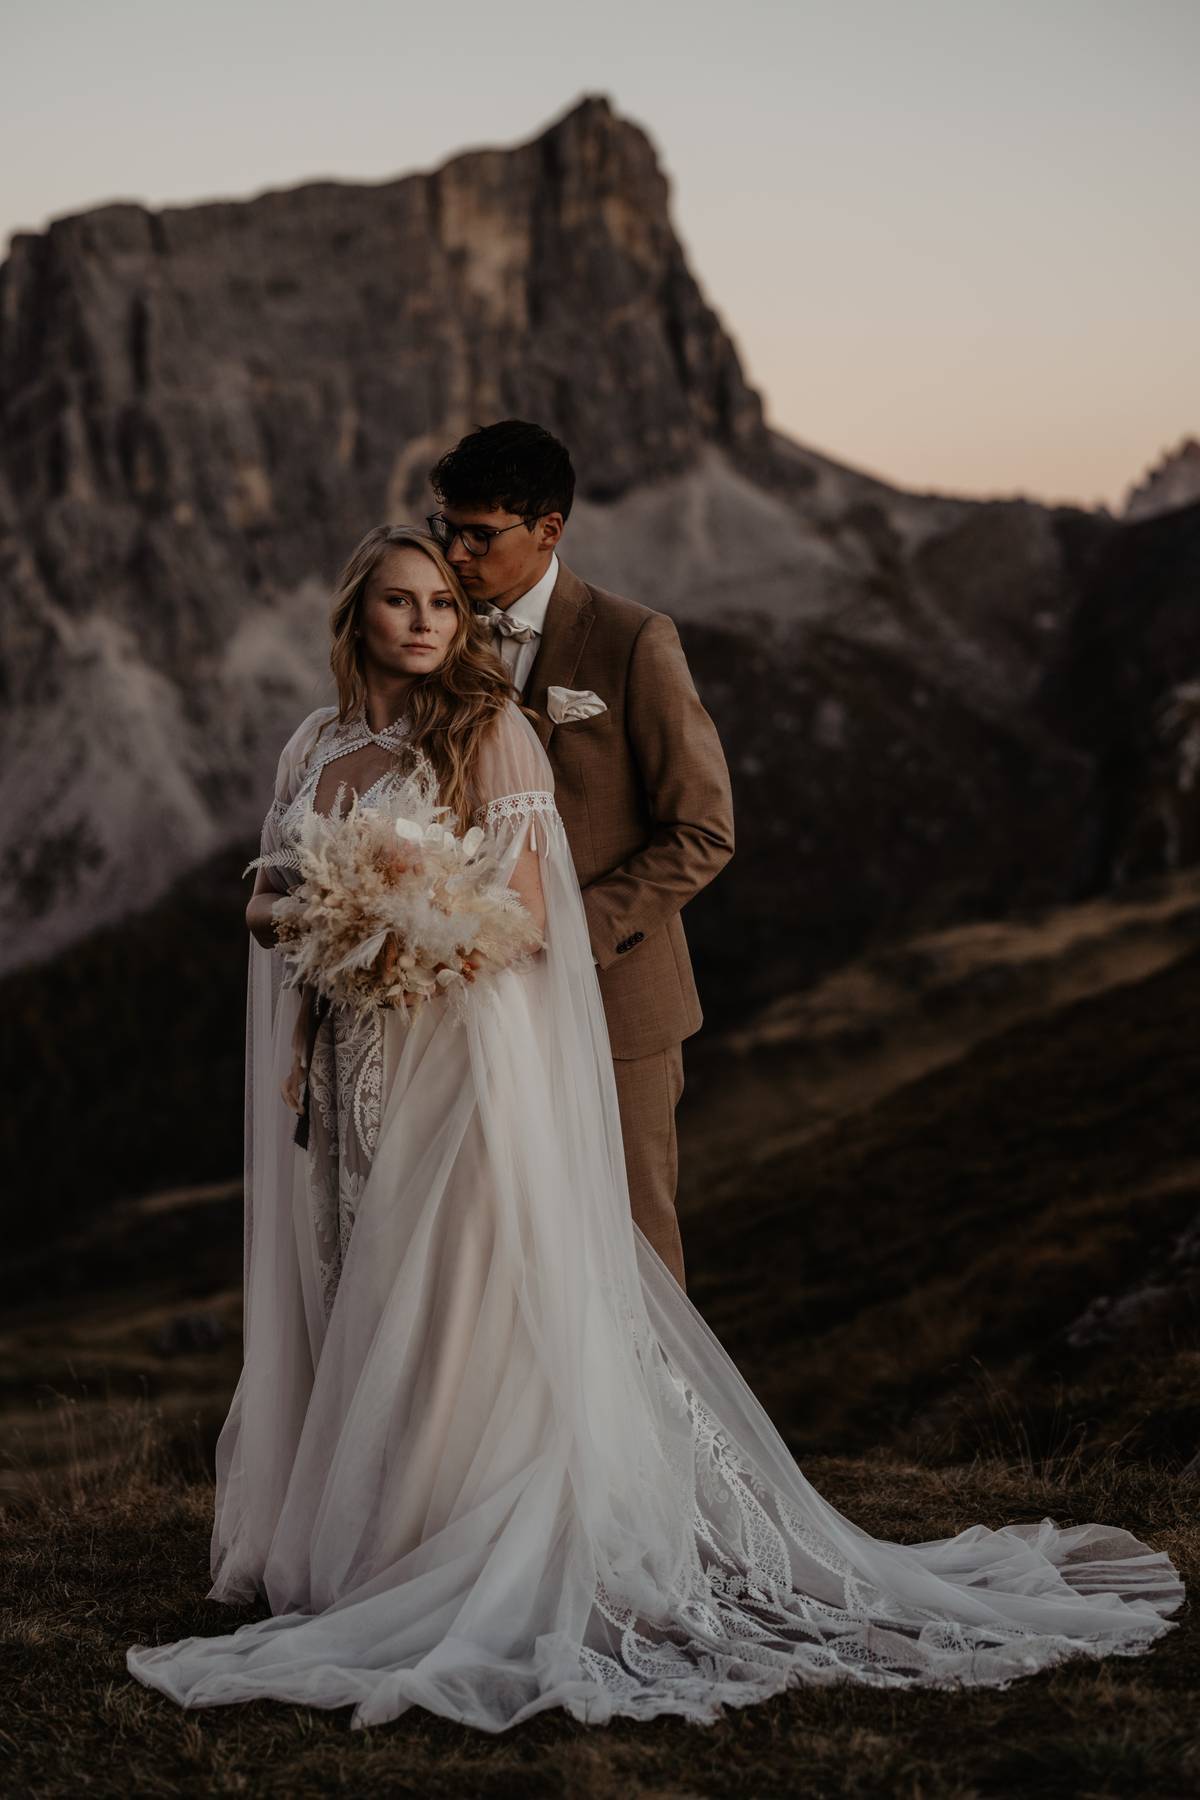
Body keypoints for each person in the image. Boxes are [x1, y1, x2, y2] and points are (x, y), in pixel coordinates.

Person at [126, 524, 1183, 1734]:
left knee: (448, 1297)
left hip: (453, 1069)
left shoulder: (487, 734)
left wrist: (401, 931)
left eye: (440, 603)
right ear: (354, 615)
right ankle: (351, 1523)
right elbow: (266, 884)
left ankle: (426, 1529)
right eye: (397, 602)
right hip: (342, 1066)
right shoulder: (312, 744)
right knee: (343, 1278)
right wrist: (301, 916)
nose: (424, 621)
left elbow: (524, 922)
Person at [427, 419, 734, 1290]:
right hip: (479, 1011)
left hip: (617, 1004)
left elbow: (704, 831)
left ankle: (654, 1427)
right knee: (505, 1246)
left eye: (479, 534)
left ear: (549, 530)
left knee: (634, 1243)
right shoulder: (442, 637)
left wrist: (566, 928)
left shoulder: (636, 641)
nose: (455, 552)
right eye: (448, 528)